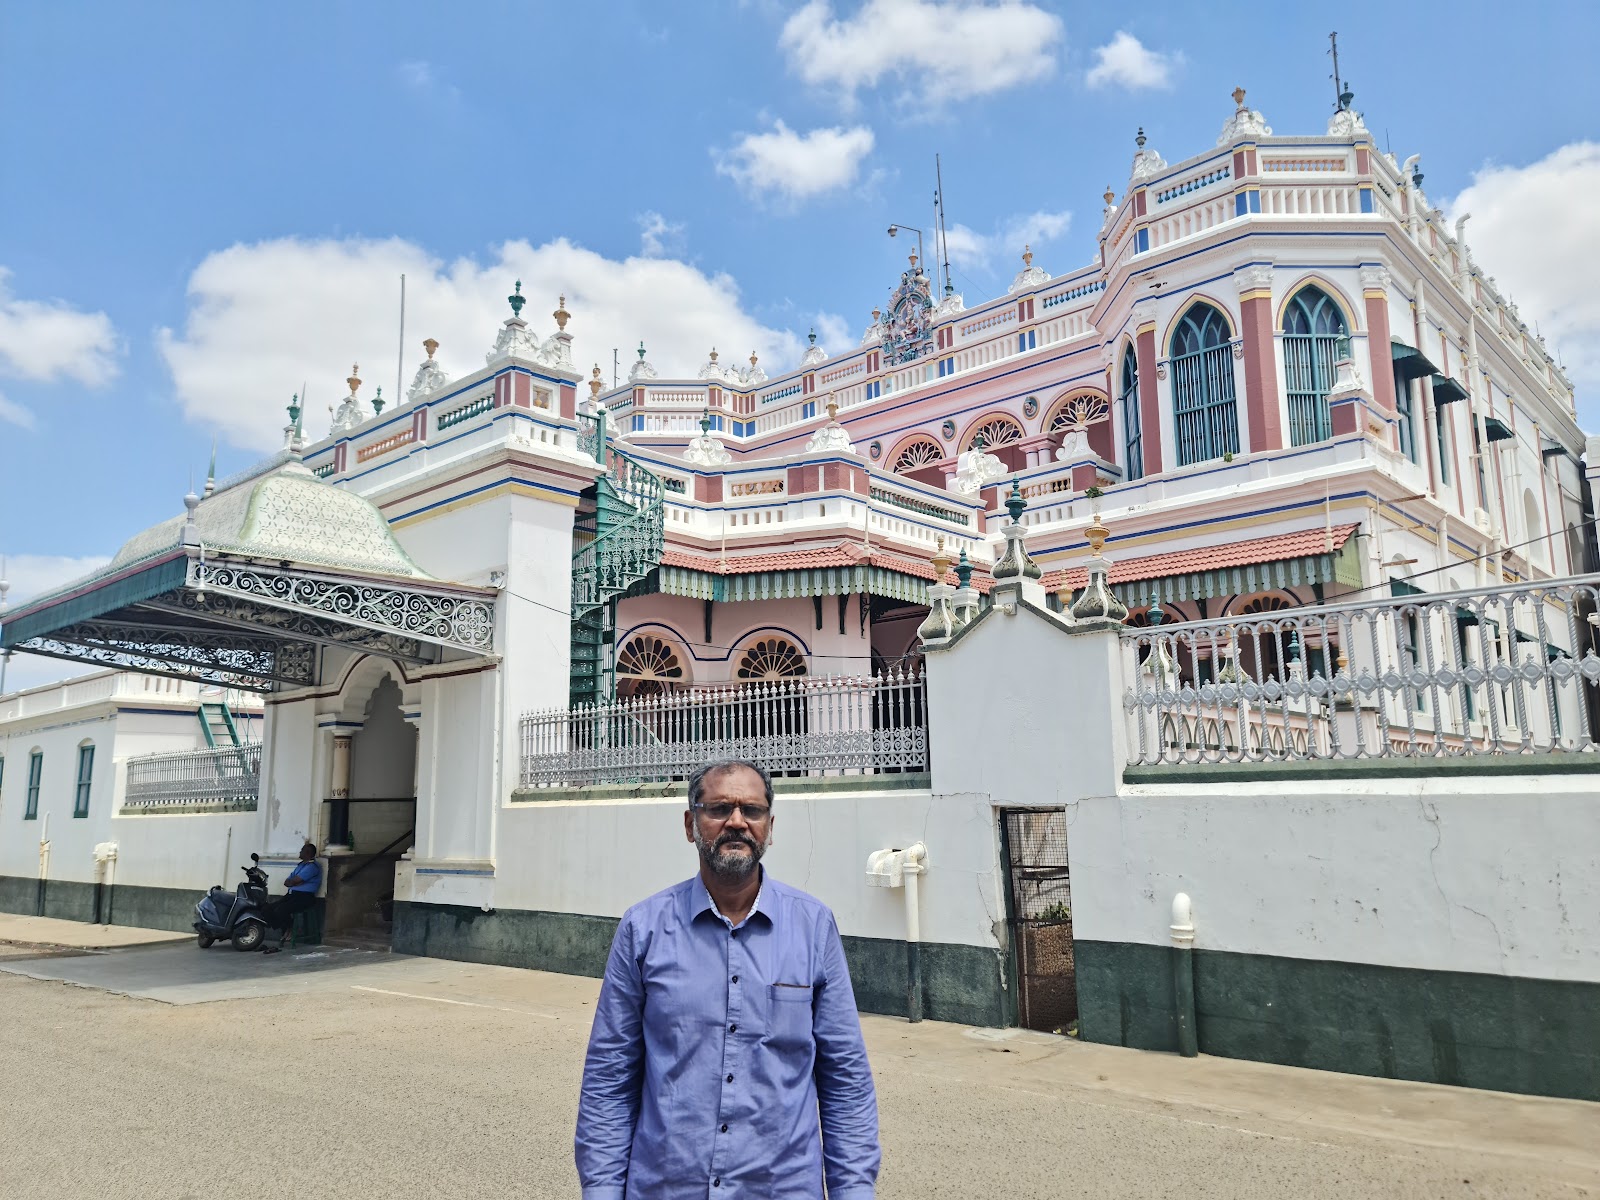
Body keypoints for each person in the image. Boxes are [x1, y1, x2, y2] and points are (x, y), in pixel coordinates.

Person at [576, 759, 880, 1199]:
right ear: (690, 823)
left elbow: (845, 1081)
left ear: (769, 827)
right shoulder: (643, 929)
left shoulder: (812, 928)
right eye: (718, 809)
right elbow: (609, 1077)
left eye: (751, 811)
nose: (736, 821)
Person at [262, 842, 321, 953]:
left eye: (302, 850)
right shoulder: (301, 865)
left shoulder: (312, 867)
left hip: (305, 897)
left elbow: (294, 880)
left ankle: (290, 929)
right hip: (292, 895)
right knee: (267, 909)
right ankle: (288, 927)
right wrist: (294, 882)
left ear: (307, 853)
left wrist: (295, 882)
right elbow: (287, 882)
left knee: (281, 910)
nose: (300, 852)